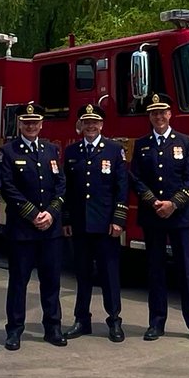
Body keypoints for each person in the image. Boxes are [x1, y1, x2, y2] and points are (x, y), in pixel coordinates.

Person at [129, 92, 189, 343]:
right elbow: (136, 179)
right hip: (153, 216)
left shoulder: (185, 142)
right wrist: (153, 202)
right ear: (149, 116)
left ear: (170, 114)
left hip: (180, 216)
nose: (158, 117)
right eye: (153, 113)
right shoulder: (141, 145)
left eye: (162, 112)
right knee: (156, 270)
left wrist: (173, 204)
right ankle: (156, 323)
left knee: (186, 271)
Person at [0, 100, 67, 350]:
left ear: (41, 124)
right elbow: (8, 187)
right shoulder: (9, 151)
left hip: (50, 230)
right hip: (22, 231)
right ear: (20, 124)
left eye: (35, 122)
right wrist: (31, 214)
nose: (31, 126)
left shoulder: (51, 151)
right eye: (26, 122)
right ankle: (14, 330)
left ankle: (53, 328)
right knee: (19, 282)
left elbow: (60, 185)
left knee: (51, 281)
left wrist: (50, 212)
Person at [62, 102, 127, 342]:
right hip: (80, 225)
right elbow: (66, 189)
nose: (91, 126)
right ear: (80, 125)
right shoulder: (72, 152)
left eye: (95, 122)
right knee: (82, 274)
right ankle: (82, 320)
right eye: (86, 122)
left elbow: (121, 188)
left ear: (101, 124)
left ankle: (114, 321)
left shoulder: (113, 150)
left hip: (106, 226)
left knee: (110, 275)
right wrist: (66, 218)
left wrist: (118, 219)